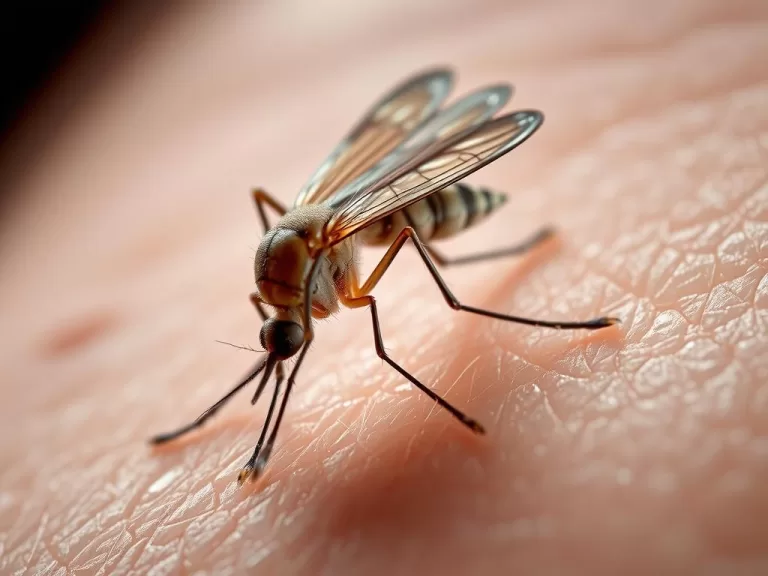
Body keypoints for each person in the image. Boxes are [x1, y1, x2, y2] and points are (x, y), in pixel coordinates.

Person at [1, 1, 765, 574]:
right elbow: (284, 325)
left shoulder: (300, 283)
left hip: (403, 211)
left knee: (398, 253)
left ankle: (472, 292)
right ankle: (233, 431)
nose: (281, 343)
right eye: (278, 330)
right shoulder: (278, 293)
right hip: (338, 222)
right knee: (319, 280)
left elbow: (307, 313)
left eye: (281, 334)